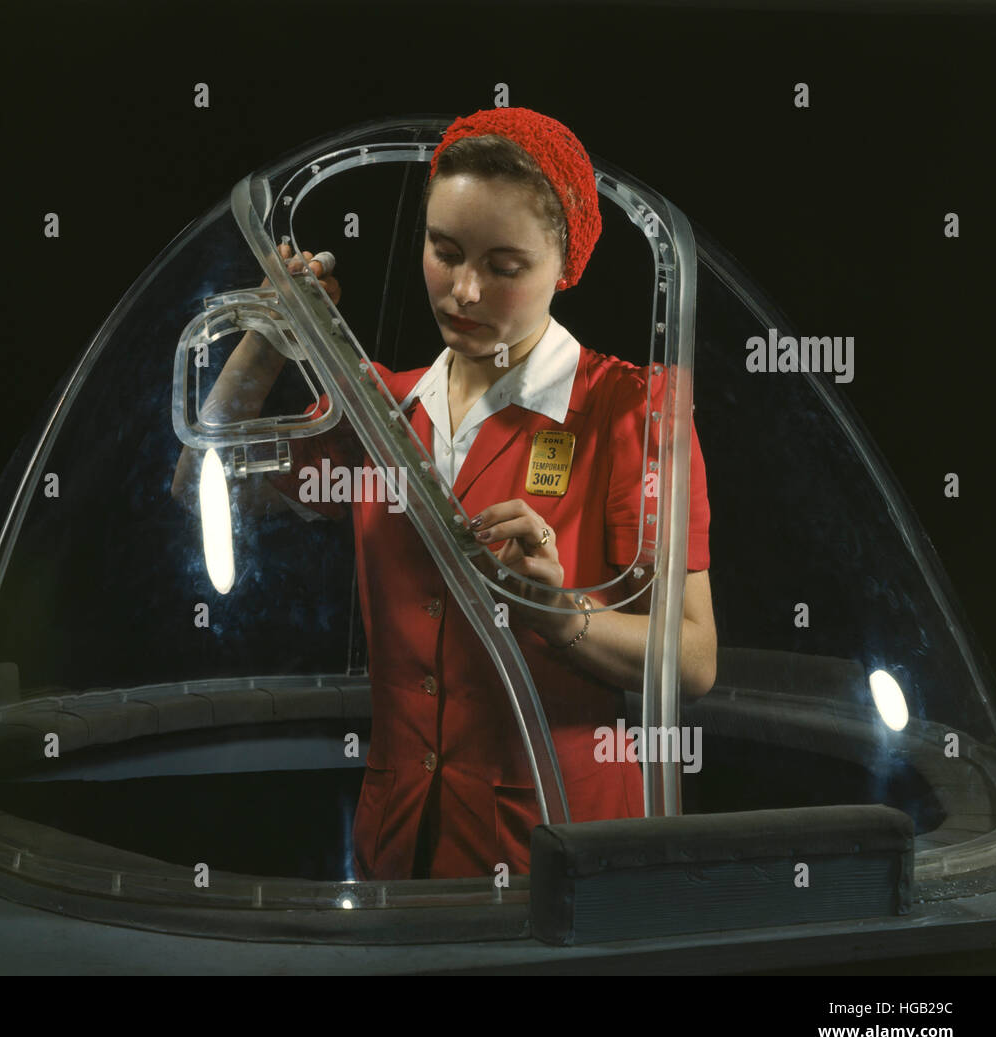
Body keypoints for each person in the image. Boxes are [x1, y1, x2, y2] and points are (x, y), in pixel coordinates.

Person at [174, 107, 716, 881]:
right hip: (400, 849)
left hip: (562, 848)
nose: (463, 291)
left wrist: (562, 617)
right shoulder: (377, 411)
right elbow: (199, 484)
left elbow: (694, 660)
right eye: (444, 251)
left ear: (565, 265)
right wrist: (269, 335)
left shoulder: (631, 412)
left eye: (504, 267)